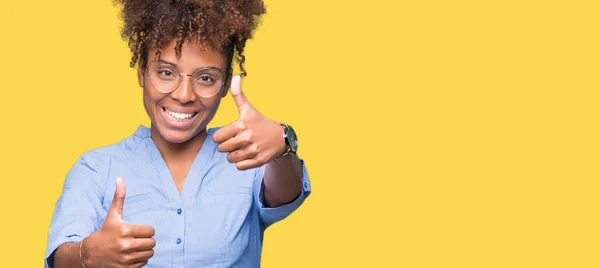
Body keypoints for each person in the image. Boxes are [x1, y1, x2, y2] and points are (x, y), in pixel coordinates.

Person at [44, 0, 312, 267]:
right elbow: (60, 258)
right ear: (142, 71)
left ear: (225, 83)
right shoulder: (96, 167)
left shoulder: (246, 153)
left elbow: (284, 195)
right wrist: (87, 254)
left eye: (206, 78)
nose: (184, 95)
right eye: (166, 72)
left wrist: (282, 146)